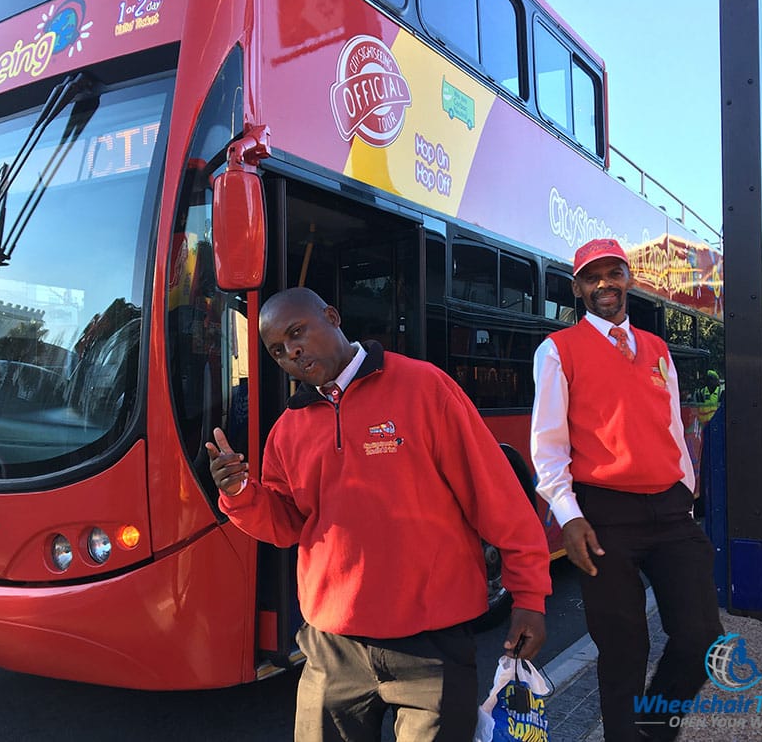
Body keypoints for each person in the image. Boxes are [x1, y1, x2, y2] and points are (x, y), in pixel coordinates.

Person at [207, 287, 551, 742]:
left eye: (297, 332)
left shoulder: (424, 387)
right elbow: (287, 525)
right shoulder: (288, 430)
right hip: (332, 650)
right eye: (277, 350)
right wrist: (240, 493)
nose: (291, 351)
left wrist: (529, 595)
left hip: (432, 647)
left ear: (332, 316)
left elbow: (497, 496)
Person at [530, 239, 723, 742]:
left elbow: (672, 427)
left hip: (670, 510)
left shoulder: (658, 350)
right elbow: (547, 446)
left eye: (612, 274)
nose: (604, 286)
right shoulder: (558, 351)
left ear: (628, 279)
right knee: (622, 649)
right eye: (592, 278)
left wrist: (685, 485)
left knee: (703, 637)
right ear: (578, 289)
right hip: (604, 516)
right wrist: (568, 516)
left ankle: (654, 732)